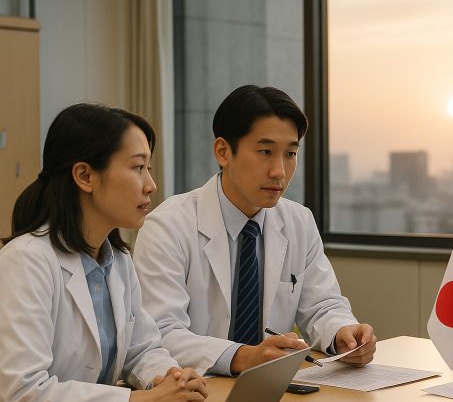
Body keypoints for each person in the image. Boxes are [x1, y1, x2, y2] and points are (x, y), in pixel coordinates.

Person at [133, 85, 376, 376]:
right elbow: (160, 332)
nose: (280, 171)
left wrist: (343, 334)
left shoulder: (299, 221)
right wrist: (241, 356)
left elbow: (323, 305)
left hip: (268, 390)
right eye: (265, 152)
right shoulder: (168, 226)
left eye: (290, 154)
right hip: (196, 387)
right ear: (223, 152)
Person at [0, 104, 208, 402]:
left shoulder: (118, 259)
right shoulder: (27, 260)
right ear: (85, 176)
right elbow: (24, 393)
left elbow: (142, 350)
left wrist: (170, 379)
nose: (150, 185)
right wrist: (142, 401)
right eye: (138, 168)